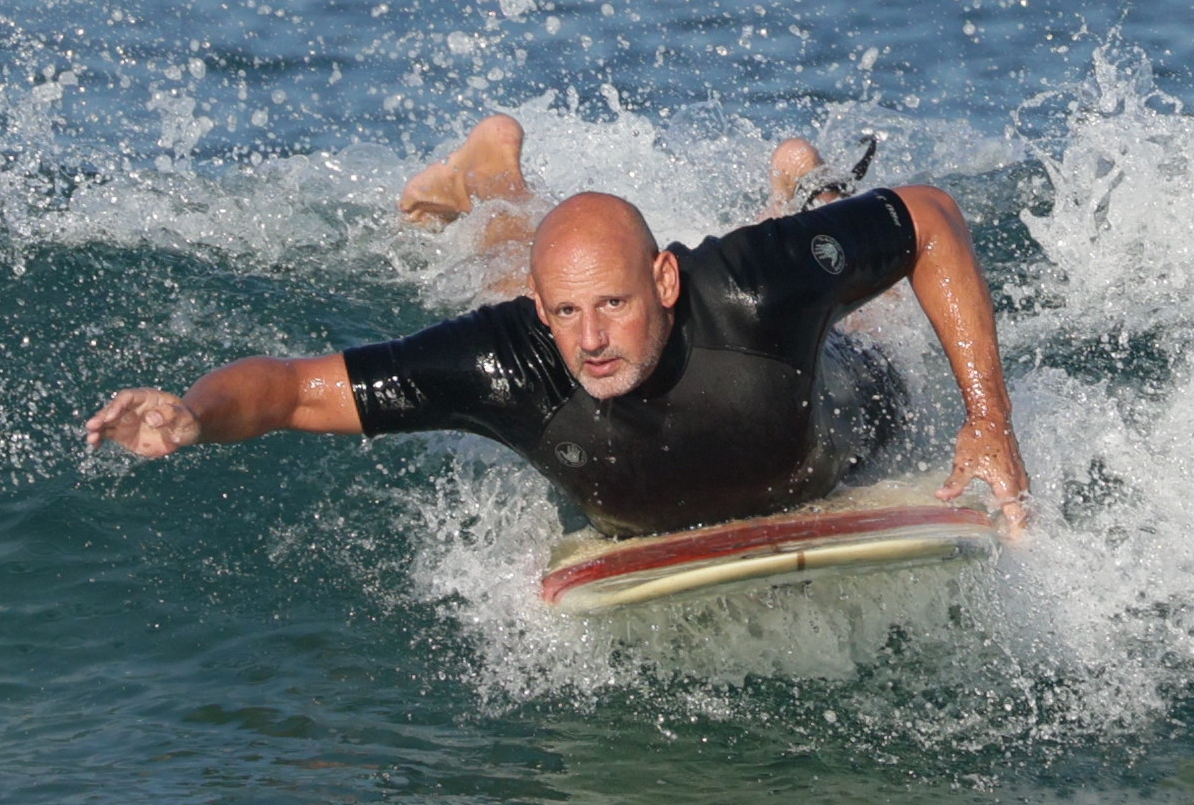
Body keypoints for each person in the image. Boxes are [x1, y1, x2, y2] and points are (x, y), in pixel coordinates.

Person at [84, 114, 1030, 538]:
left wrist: (988, 418)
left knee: (852, 303)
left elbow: (929, 220)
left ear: (663, 280)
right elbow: (291, 388)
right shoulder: (516, 361)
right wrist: (196, 415)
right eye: (567, 315)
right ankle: (491, 175)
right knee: (514, 267)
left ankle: (800, 190)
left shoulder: (741, 287)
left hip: (842, 413)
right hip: (580, 307)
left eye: (614, 304)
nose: (590, 340)